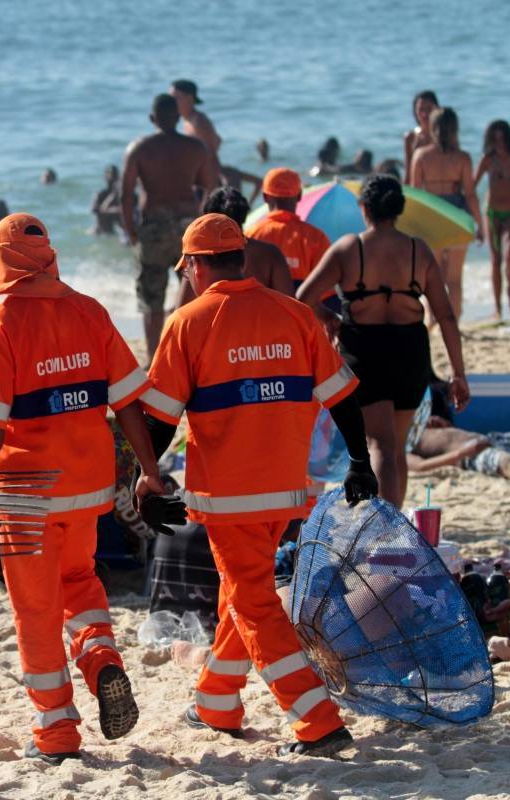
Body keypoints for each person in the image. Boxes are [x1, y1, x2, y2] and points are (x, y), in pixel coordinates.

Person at [138, 212, 377, 757]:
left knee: (253, 604)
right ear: (241, 259)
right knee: (240, 595)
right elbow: (342, 396)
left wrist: (147, 479)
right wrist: (360, 461)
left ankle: (316, 720)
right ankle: (217, 701)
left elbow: (159, 419)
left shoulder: (187, 323)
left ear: (196, 266)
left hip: (228, 497)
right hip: (288, 490)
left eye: (188, 269)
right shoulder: (295, 315)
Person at [0, 213, 163, 763]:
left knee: (35, 608)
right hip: (88, 484)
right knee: (79, 581)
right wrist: (149, 469)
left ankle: (56, 732)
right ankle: (100, 659)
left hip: (26, 489)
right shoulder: (89, 311)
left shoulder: (0, 321)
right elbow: (128, 404)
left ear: (1, 260)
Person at [299, 175, 469, 509]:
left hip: (365, 350)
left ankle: (384, 526)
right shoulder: (418, 250)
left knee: (379, 446)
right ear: (398, 208)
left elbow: (303, 296)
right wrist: (458, 373)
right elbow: (446, 315)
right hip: (410, 351)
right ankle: (394, 521)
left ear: (364, 208)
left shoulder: (350, 248)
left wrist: (327, 316)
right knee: (397, 446)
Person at [121, 93, 219, 358]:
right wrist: (201, 220)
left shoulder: (139, 149)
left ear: (152, 118)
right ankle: (195, 353)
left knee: (152, 299)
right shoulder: (196, 148)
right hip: (187, 227)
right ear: (177, 117)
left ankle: (154, 358)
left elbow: (126, 195)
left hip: (153, 228)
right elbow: (210, 187)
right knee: (195, 294)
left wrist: (131, 230)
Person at [410, 107, 485, 320]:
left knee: (434, 277)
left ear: (432, 129)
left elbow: (416, 195)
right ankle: (455, 321)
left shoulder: (421, 156)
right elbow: (470, 195)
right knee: (454, 277)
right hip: (457, 216)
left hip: (432, 215)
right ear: (455, 130)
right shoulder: (462, 158)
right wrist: (480, 226)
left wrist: (413, 227)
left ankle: (435, 319)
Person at [174, 187, 292, 307]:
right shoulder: (270, 253)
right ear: (244, 215)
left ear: (208, 219)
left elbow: (182, 306)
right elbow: (289, 303)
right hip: (262, 321)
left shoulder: (200, 256)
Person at [245, 167, 331, 291]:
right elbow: (324, 292)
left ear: (264, 197)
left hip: (260, 307)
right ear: (300, 195)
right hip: (301, 308)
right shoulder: (317, 238)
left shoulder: (249, 235)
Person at [475, 120, 510, 316]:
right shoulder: (487, 160)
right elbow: (472, 184)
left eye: (503, 139)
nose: (500, 144)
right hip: (493, 213)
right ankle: (497, 306)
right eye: (495, 140)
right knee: (495, 260)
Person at [170, 79, 221, 155]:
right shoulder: (187, 119)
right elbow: (218, 140)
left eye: (176, 98)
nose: (171, 102)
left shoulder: (199, 121)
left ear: (190, 98)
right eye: (170, 98)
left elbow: (211, 153)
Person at [403, 90, 439, 184]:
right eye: (421, 109)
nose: (425, 114)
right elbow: (408, 173)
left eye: (429, 109)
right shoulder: (410, 138)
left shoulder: (443, 136)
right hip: (418, 189)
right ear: (415, 111)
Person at [91, 165, 122, 235]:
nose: (111, 177)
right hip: (98, 232)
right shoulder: (100, 194)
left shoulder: (120, 196)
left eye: (114, 175)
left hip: (111, 232)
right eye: (109, 174)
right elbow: (94, 210)